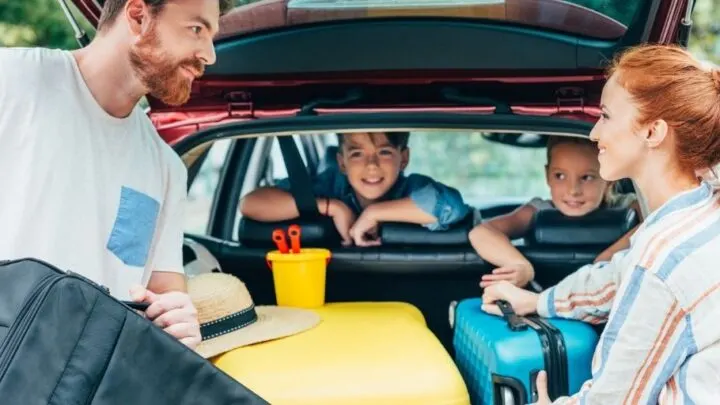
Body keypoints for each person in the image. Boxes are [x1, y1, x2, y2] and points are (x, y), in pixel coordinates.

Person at [482, 44, 720, 404]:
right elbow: (618, 276)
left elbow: (616, 398)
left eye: (606, 116)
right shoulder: (703, 213)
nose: (594, 133)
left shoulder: (663, 258)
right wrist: (538, 301)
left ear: (653, 132)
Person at [0, 0, 231, 350]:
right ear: (138, 16)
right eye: (196, 30)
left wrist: (177, 322)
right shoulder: (13, 83)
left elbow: (164, 299)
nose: (210, 54)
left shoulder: (166, 168)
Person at [240, 131, 469, 246]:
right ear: (341, 162)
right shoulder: (326, 187)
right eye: (357, 154)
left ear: (404, 158)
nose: (371, 165)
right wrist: (332, 207)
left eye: (384, 152)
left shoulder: (412, 188)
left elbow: (451, 205)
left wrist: (374, 214)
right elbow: (250, 203)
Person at [470, 136, 641, 288]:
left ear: (609, 179)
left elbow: (659, 222)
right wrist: (518, 264)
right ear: (547, 176)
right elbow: (481, 232)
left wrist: (607, 258)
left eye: (587, 177)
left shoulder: (628, 206)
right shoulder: (538, 210)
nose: (573, 190)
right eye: (560, 176)